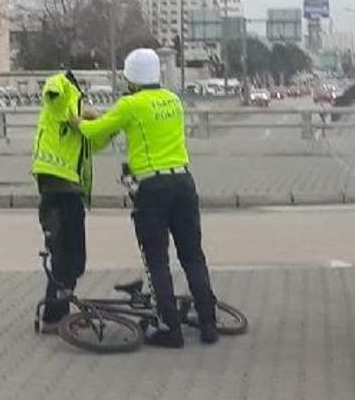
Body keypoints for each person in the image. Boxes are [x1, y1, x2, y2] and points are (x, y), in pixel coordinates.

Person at [70, 49, 218, 348]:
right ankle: (209, 324)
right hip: (184, 183)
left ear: (131, 77)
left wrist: (78, 119)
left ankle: (169, 329)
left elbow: (95, 131)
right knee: (192, 255)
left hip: (153, 188)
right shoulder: (173, 100)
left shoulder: (131, 104)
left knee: (157, 259)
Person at [31, 71, 103, 333]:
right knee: (64, 254)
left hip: (69, 188)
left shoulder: (72, 116)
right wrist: (81, 111)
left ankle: (61, 310)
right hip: (56, 186)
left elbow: (93, 140)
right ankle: (54, 317)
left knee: (73, 256)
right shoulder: (60, 96)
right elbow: (54, 90)